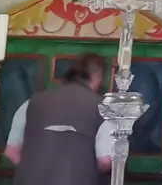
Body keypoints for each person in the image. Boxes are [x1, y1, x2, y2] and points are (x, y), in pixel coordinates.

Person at [8, 53, 111, 185]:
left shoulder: (31, 102)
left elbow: (11, 151)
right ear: (97, 76)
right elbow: (104, 161)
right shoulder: (102, 108)